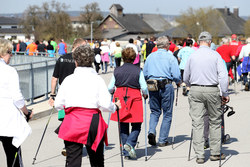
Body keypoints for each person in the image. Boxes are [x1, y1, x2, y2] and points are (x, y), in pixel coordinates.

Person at [54, 45, 121, 167]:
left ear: (75, 61)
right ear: (91, 61)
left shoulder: (68, 80)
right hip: (92, 121)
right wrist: (115, 107)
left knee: (72, 160)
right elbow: (106, 104)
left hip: (72, 121)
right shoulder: (97, 80)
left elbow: (58, 104)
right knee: (97, 161)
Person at [183, 31, 229, 164]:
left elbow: (186, 76)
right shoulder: (215, 55)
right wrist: (225, 93)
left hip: (196, 88)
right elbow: (223, 76)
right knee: (215, 121)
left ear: (198, 41)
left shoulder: (192, 55)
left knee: (197, 122)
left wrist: (190, 85)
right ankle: (215, 153)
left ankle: (200, 155)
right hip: (212, 89)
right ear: (210, 42)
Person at [108, 47, 148, 159]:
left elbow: (110, 87)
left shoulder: (117, 70)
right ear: (134, 58)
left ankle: (126, 152)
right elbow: (144, 87)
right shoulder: (138, 70)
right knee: (137, 124)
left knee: (123, 124)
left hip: (120, 96)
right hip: (134, 96)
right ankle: (130, 143)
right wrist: (145, 94)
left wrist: (112, 92)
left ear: (123, 57)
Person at [49, 38, 86, 156]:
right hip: (77, 94)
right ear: (78, 46)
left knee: (66, 120)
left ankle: (67, 146)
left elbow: (54, 78)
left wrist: (52, 95)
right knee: (76, 120)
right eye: (84, 46)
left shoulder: (61, 58)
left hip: (63, 94)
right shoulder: (81, 60)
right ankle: (74, 144)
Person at [0, 38, 33, 167]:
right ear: (2, 53)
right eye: (9, 52)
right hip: (8, 120)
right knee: (13, 155)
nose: (11, 55)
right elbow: (17, 98)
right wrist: (27, 112)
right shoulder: (10, 71)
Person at [143, 36, 181, 147]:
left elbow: (145, 73)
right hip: (166, 85)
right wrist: (178, 82)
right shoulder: (170, 57)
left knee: (155, 111)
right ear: (166, 45)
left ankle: (151, 131)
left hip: (152, 85)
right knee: (167, 113)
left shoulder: (150, 57)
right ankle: (162, 139)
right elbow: (177, 75)